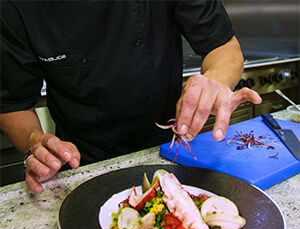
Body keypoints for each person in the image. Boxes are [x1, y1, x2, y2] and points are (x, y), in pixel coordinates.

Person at [0, 0, 262, 194]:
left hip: (167, 154)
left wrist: (214, 80)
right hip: (81, 166)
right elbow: (12, 103)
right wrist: (35, 142)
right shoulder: (15, 6)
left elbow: (224, 47)